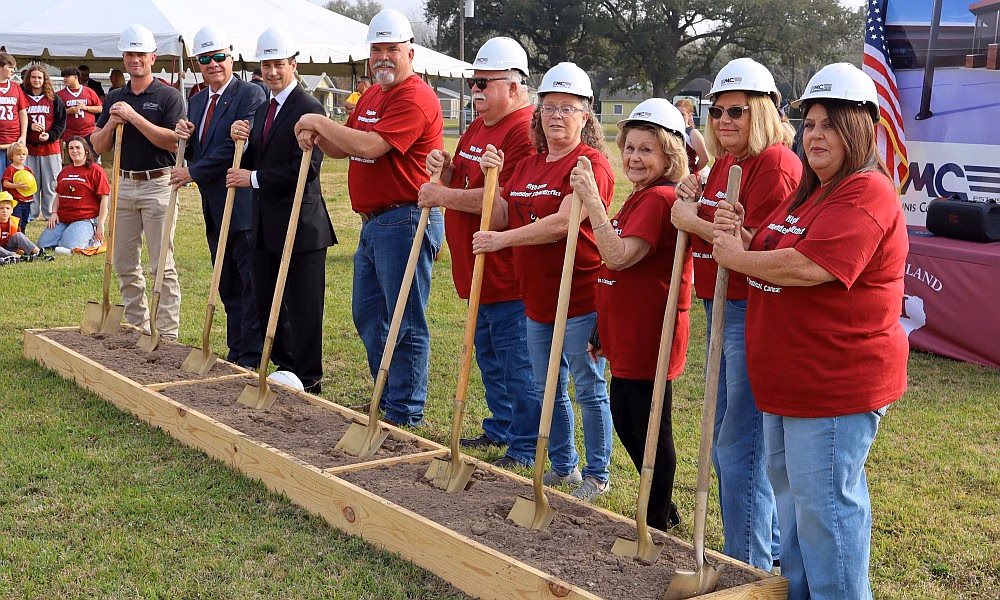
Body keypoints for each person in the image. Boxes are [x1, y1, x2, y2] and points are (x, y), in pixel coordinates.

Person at [711, 63, 907, 600]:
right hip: (787, 382)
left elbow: (811, 265)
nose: (815, 135)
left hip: (833, 385)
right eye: (811, 124)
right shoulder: (813, 190)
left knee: (825, 512)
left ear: (860, 128)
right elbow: (775, 246)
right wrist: (741, 235)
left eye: (830, 124)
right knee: (794, 506)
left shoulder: (867, 191)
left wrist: (737, 256)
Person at [670, 57, 800, 571]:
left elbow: (757, 249)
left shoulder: (775, 165)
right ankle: (762, 556)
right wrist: (691, 197)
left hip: (751, 309)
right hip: (720, 307)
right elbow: (714, 223)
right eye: (717, 111)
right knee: (729, 437)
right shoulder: (727, 161)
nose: (724, 120)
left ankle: (745, 566)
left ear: (762, 111)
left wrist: (692, 221)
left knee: (738, 445)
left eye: (736, 111)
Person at [294, 9, 444, 425]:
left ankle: (405, 410)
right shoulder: (373, 95)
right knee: (369, 313)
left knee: (403, 319)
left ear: (410, 52)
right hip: (375, 222)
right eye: (376, 50)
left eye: (391, 49)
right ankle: (386, 395)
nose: (382, 57)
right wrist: (318, 135)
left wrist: (316, 120)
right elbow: (344, 146)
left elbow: (372, 146)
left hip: (407, 219)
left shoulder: (416, 96)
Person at [473, 62, 614, 502]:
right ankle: (564, 465)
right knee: (545, 386)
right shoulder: (529, 164)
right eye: (549, 107)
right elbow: (501, 212)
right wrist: (493, 176)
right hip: (535, 298)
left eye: (568, 108)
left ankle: (597, 474)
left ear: (585, 116)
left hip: (580, 296)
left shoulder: (590, 165)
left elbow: (563, 223)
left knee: (587, 387)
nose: (556, 116)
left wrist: (501, 241)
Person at [416, 37, 539, 467]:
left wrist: (442, 195)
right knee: (488, 355)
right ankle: (501, 426)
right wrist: (448, 170)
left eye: (485, 83)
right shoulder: (480, 125)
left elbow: (503, 203)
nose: (475, 90)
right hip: (477, 271)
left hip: (505, 271)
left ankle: (525, 445)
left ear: (514, 85)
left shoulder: (524, 130)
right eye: (474, 82)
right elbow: (468, 180)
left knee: (516, 363)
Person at [577, 98, 692, 527]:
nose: (634, 157)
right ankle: (664, 507)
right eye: (629, 148)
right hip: (624, 329)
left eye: (646, 149)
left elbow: (618, 255)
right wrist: (601, 327)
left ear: (669, 154)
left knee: (648, 427)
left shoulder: (660, 198)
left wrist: (592, 200)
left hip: (650, 332)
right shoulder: (641, 195)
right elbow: (615, 271)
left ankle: (656, 517)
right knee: (628, 418)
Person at [228, 27, 336, 393]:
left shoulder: (310, 108)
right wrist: (242, 142)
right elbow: (260, 156)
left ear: (293, 64)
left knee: (303, 306)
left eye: (279, 64)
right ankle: (286, 370)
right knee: (268, 302)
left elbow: (305, 170)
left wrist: (253, 178)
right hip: (264, 225)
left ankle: (309, 378)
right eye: (266, 65)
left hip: (300, 225)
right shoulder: (263, 108)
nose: (272, 72)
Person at [172, 25, 267, 369]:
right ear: (197, 63)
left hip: (241, 205)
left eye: (218, 57)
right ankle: (236, 349)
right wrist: (183, 137)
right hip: (213, 205)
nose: (212, 64)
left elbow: (234, 148)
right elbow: (200, 148)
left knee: (248, 281)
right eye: (205, 59)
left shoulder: (250, 94)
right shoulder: (197, 100)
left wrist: (193, 172)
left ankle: (252, 355)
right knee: (225, 281)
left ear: (231, 57)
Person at [91, 24, 185, 340]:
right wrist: (112, 122)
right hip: (123, 183)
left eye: (141, 54)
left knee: (162, 265)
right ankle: (136, 327)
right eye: (130, 54)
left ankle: (167, 335)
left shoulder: (169, 96)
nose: (135, 59)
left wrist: (134, 117)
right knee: (123, 263)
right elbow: (99, 145)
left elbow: (173, 142)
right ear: (123, 57)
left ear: (152, 58)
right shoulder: (114, 97)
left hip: (158, 184)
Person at [38, 136, 109, 250]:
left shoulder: (95, 170)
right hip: (62, 219)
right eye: (71, 148)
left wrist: (100, 225)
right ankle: (66, 235)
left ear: (86, 150)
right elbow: (58, 195)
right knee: (42, 245)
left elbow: (104, 198)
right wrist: (54, 212)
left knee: (71, 246)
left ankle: (91, 239)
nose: (74, 151)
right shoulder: (65, 171)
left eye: (78, 147)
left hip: (84, 218)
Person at [22, 64, 67, 222]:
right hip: (29, 148)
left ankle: (50, 213)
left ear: (45, 79)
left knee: (51, 183)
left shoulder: (54, 98)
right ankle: (31, 214)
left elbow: (61, 122)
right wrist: (30, 126)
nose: (36, 80)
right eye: (33, 77)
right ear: (28, 79)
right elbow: (17, 118)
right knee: (30, 182)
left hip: (50, 148)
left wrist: (50, 135)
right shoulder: (22, 96)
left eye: (39, 77)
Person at [0, 191, 49, 263]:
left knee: (19, 235)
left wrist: (21, 249)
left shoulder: (14, 221)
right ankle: (15, 256)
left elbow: (19, 238)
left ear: (12, 210)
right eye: (1, 208)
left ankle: (39, 253)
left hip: (9, 247)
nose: (5, 211)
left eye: (7, 208)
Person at [57, 68, 103, 145]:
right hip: (69, 134)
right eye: (64, 77)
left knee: (89, 152)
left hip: (88, 133)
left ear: (75, 77)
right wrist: (68, 111)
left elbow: (100, 108)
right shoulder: (60, 94)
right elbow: (55, 113)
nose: (65, 79)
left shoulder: (89, 91)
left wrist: (86, 108)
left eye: (67, 76)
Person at [0, 53, 29, 175]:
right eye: (10, 67)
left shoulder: (16, 87)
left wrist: (23, 136)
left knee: (17, 178)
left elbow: (23, 113)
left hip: (14, 144)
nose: (13, 70)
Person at [674, 97, 709, 175]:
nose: (679, 117)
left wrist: (693, 170)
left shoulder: (693, 133)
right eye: (676, 114)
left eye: (682, 114)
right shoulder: (671, 131)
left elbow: (705, 158)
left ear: (689, 116)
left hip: (688, 176)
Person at [2, 141, 34, 226]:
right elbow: (5, 183)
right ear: (11, 156)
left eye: (24, 154)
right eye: (18, 154)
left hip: (26, 200)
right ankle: (15, 233)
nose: (21, 156)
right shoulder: (10, 169)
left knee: (24, 221)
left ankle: (22, 233)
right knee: (16, 221)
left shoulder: (27, 169)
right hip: (16, 201)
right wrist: (17, 186)